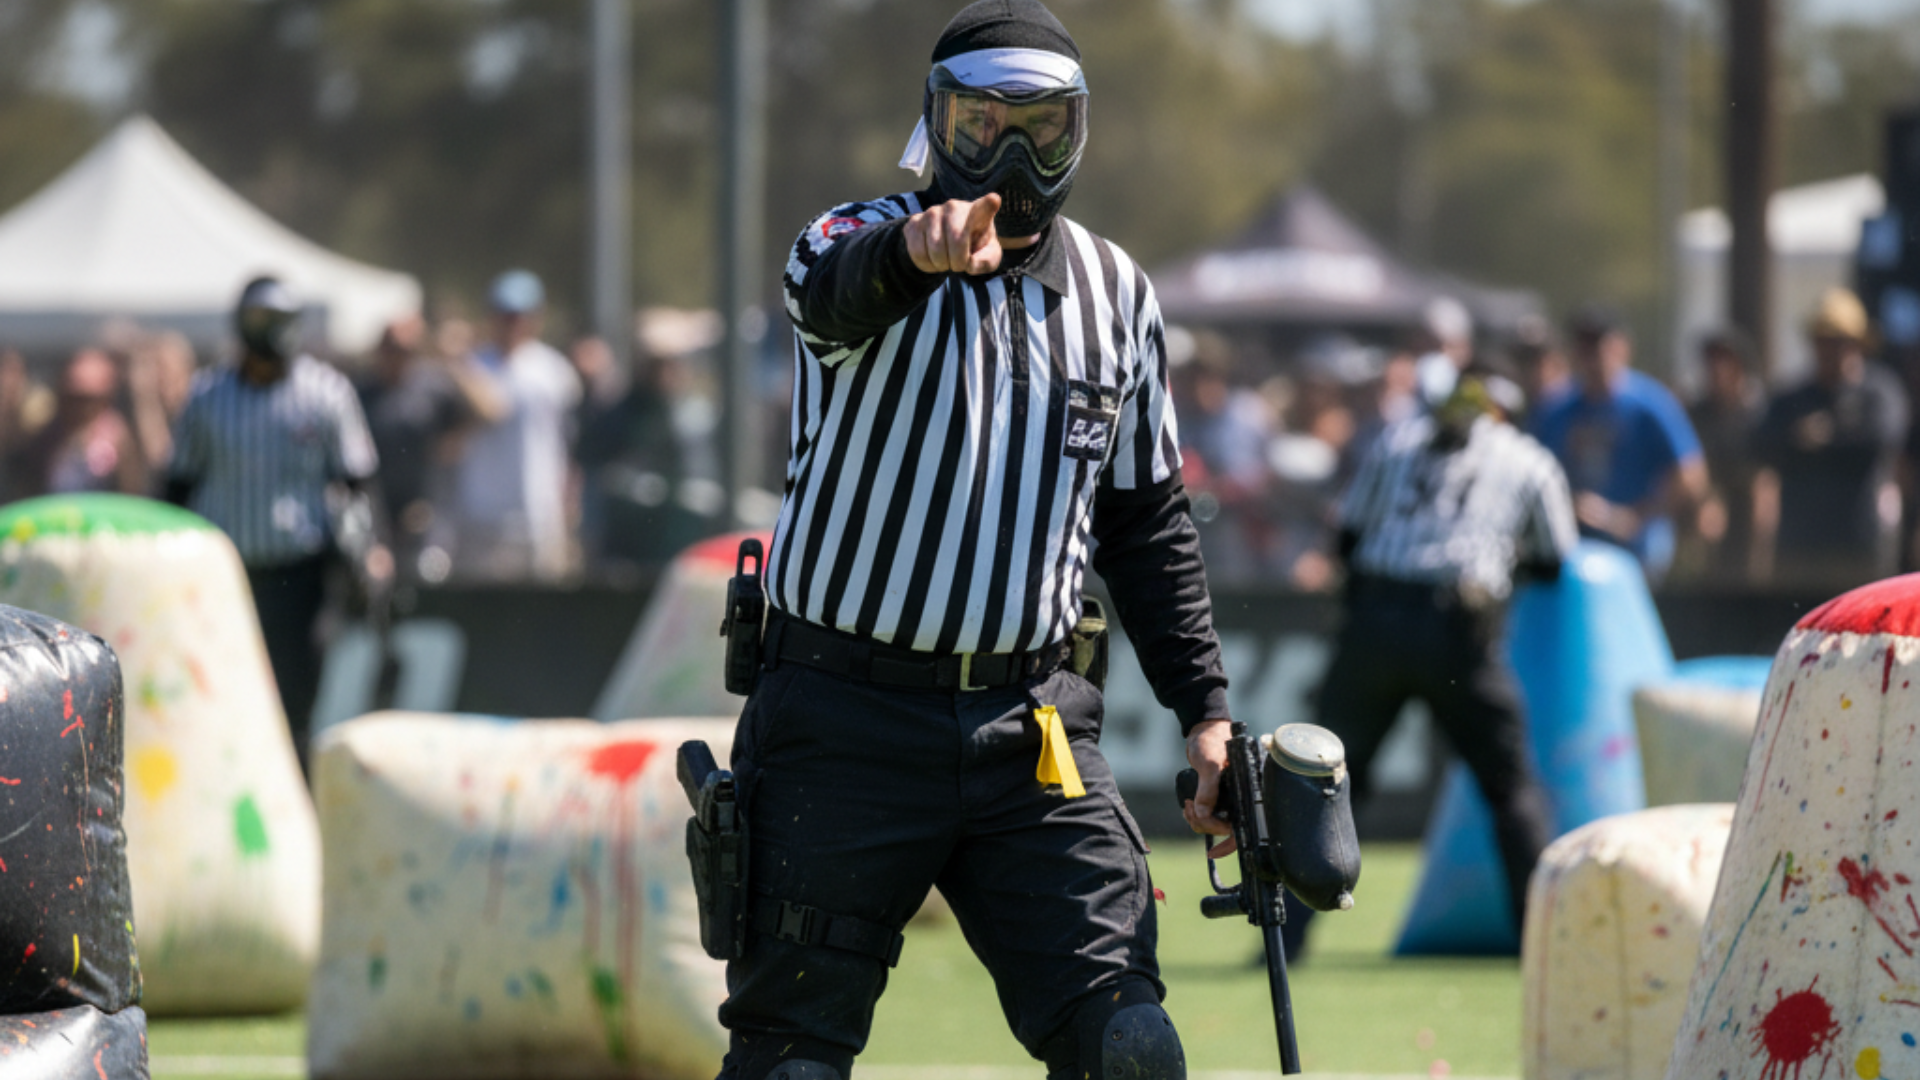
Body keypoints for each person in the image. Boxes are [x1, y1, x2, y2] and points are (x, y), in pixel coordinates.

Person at [727, 4, 1232, 1077]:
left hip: (1033, 729)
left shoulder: (1120, 295)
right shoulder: (842, 241)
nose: (1005, 154)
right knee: (790, 1063)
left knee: (1129, 1049)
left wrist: (1209, 713)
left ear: (1078, 135)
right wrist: (913, 254)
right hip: (842, 722)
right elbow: (835, 297)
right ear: (932, 125)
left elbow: (1145, 523)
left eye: (1037, 127)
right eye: (977, 122)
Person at [1302, 365, 1576, 956]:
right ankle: (1538, 944)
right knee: (1509, 788)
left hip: (1376, 620)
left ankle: (1284, 937)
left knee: (1327, 783)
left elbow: (1348, 537)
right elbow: (1555, 559)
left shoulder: (1396, 440)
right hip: (1459, 631)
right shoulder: (1530, 461)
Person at [165, 276, 384, 765]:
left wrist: (371, 552)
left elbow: (355, 481)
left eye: (277, 321)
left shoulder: (326, 392)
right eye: (259, 321)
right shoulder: (207, 396)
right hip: (224, 577)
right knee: (221, 698)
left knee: (295, 706)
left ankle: (294, 820)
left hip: (300, 576)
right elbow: (178, 485)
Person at [1530, 304, 1707, 582]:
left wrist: (1634, 516)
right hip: (1572, 549)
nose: (1592, 354)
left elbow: (1690, 474)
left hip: (1636, 552)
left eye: (1598, 343)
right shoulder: (1556, 408)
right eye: (1583, 344)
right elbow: (1534, 469)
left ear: (1622, 346)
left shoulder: (1650, 404)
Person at [1751, 288, 1910, 588]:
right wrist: (1798, 440)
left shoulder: (1879, 392)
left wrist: (1825, 439)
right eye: (1823, 341)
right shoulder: (1793, 398)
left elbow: (1878, 441)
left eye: (1839, 342)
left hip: (1858, 544)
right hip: (1801, 545)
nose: (1830, 350)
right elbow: (1761, 443)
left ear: (1858, 344)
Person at [446, 270, 582, 582]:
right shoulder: (472, 364)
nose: (512, 323)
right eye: (504, 314)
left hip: (538, 514)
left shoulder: (554, 371)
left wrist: (569, 507)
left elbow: (567, 442)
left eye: (520, 315)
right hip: (481, 512)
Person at [355, 314, 502, 583]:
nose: (397, 357)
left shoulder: (431, 387)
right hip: (374, 518)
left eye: (405, 351)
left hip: (425, 516)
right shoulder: (361, 393)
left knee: (427, 584)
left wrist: (455, 360)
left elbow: (491, 411)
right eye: (391, 348)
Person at [7, 348, 147, 498]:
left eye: (88, 400)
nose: (80, 408)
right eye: (73, 398)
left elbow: (132, 491)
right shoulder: (47, 438)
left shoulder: (119, 440)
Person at [1683, 329, 1765, 582]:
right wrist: (1706, 500)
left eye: (1724, 360)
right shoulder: (1696, 414)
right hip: (1710, 500)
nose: (1716, 368)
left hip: (1750, 501)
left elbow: (1764, 475)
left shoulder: (1759, 413)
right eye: (1711, 361)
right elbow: (1690, 465)